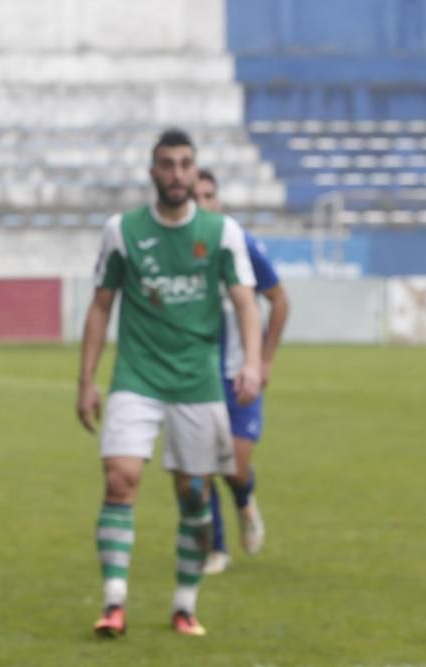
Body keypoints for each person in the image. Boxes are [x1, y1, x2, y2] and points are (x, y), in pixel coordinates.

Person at [76, 129, 262, 638]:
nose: (176, 174)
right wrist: (86, 381)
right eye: (167, 164)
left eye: (185, 164)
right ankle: (114, 602)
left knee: (194, 494)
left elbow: (247, 302)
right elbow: (100, 306)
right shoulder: (123, 230)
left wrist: (251, 364)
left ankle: (184, 604)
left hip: (197, 382)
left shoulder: (221, 232)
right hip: (137, 375)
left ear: (195, 171)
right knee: (120, 478)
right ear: (153, 171)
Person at [193, 169, 290, 575]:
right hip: (195, 376)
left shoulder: (238, 242)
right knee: (200, 468)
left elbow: (279, 301)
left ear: (218, 201)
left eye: (208, 195)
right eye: (195, 196)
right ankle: (216, 548)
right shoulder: (172, 247)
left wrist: (263, 361)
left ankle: (245, 501)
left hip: (239, 375)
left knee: (233, 467)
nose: (202, 204)